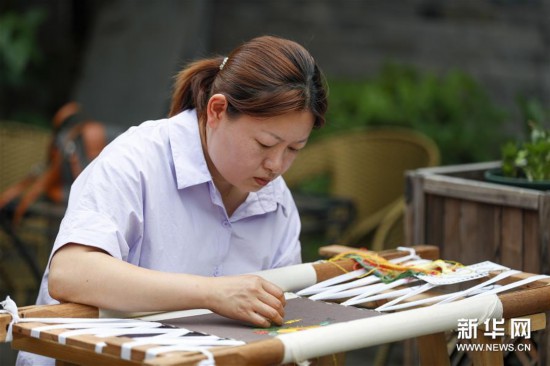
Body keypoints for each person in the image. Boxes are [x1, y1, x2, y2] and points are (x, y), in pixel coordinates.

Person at [16, 35, 327, 365]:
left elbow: (280, 312)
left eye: (294, 149)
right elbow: (71, 272)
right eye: (265, 144)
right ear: (218, 110)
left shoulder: (274, 199)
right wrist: (212, 293)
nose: (276, 165)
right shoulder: (137, 161)